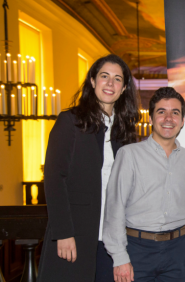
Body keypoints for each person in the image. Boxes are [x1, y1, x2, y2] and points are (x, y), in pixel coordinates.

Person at [37, 54, 140, 282]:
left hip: (112, 241)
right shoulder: (70, 121)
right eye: (104, 76)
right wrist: (63, 233)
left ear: (123, 88)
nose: (110, 84)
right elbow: (55, 178)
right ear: (93, 81)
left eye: (117, 79)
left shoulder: (124, 131)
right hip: (75, 235)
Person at [103, 87, 185, 282]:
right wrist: (119, 257)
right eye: (161, 112)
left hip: (178, 251)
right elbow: (114, 209)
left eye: (175, 113)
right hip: (137, 251)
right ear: (150, 118)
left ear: (182, 121)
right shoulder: (129, 155)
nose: (168, 118)